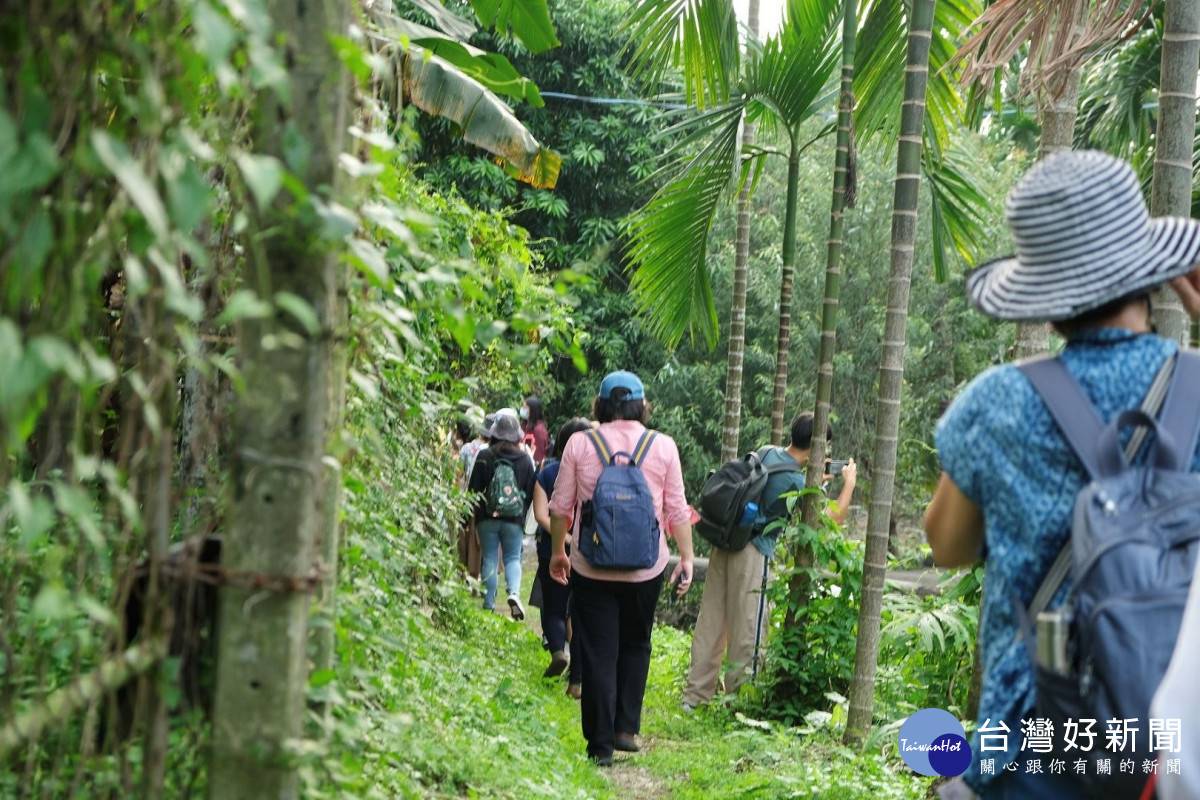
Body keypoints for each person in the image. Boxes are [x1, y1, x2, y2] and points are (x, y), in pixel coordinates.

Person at [924, 151, 1200, 799]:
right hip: (1167, 754)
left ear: (1045, 304)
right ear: (1152, 278)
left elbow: (947, 547)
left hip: (1034, 746)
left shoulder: (996, 402)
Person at [548, 370, 695, 766]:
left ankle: (600, 746)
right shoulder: (663, 446)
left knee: (597, 651)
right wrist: (685, 557)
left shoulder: (580, 442)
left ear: (599, 405)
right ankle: (625, 728)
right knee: (636, 642)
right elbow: (676, 509)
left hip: (591, 567)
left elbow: (561, 506)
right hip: (646, 568)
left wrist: (559, 552)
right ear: (641, 405)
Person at [683, 412, 857, 710]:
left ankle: (695, 697)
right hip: (752, 553)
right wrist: (848, 484)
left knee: (712, 621)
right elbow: (830, 521)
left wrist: (815, 479)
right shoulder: (795, 480)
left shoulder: (767, 451)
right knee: (748, 628)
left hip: (724, 544)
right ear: (819, 446)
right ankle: (740, 702)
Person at [531, 417, 592, 693]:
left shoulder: (548, 472)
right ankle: (577, 682)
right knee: (581, 616)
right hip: (586, 553)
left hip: (551, 550)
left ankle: (558, 650)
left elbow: (541, 515)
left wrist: (562, 538)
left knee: (554, 609)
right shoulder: (595, 474)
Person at [468, 412, 537, 619]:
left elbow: (474, 489)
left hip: (487, 517)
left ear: (494, 434)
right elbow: (531, 489)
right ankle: (514, 594)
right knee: (512, 557)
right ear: (517, 436)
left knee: (489, 556)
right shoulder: (524, 459)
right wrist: (521, 511)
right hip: (513, 519)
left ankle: (489, 602)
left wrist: (469, 516)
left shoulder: (484, 456)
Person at [456, 411, 490, 579]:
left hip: (469, 497)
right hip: (489, 500)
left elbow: (458, 475)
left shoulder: (467, 449)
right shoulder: (494, 451)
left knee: (469, 537)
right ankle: (484, 574)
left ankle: (467, 573)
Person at [521, 395, 550, 466]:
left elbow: (539, 456)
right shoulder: (524, 426)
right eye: (523, 407)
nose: (522, 410)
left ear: (533, 411)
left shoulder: (539, 430)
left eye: (525, 408)